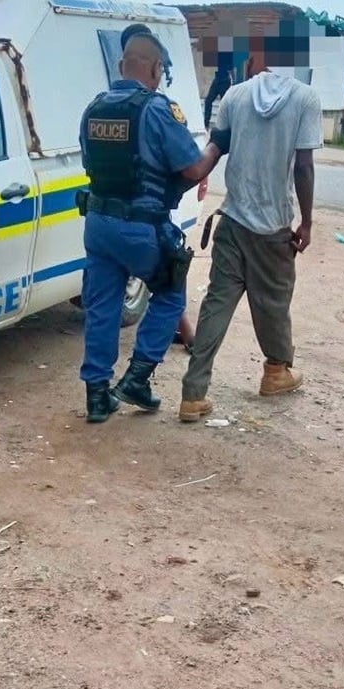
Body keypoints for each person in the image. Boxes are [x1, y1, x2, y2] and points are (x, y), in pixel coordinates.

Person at [79, 26, 221, 423]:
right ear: (156, 68)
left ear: (122, 64)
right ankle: (137, 379)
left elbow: (90, 162)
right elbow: (192, 168)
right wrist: (217, 146)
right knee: (170, 295)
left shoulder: (94, 108)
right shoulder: (156, 109)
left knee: (102, 306)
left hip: (98, 224)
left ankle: (97, 396)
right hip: (140, 228)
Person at [179, 51, 321, 422]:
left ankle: (193, 393)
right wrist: (306, 223)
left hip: (232, 221)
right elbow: (303, 168)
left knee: (216, 305)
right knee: (274, 302)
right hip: (273, 228)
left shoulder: (235, 95)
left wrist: (186, 177)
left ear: (257, 58)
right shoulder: (305, 98)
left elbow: (215, 148)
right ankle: (275, 372)